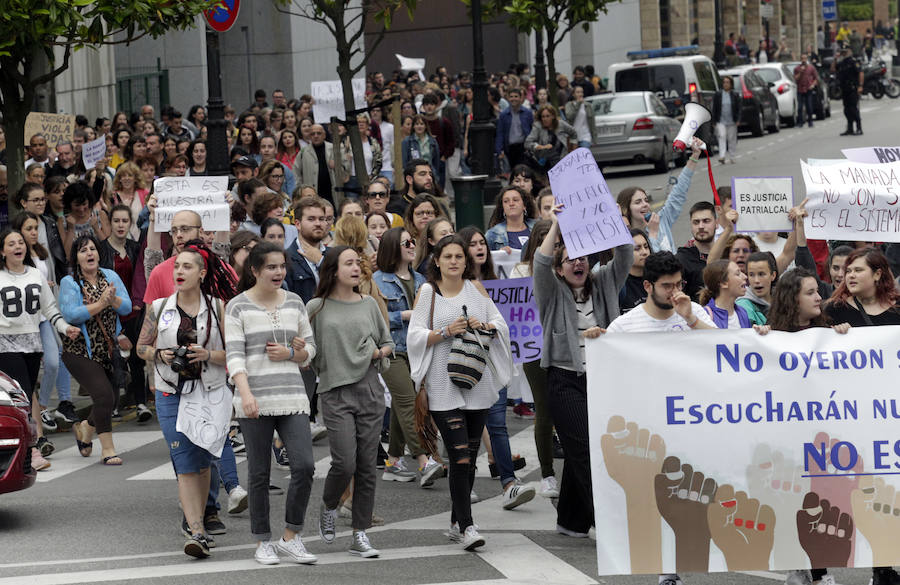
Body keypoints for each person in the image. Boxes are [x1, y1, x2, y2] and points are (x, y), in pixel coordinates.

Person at [533, 204, 633, 538]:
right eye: (570, 260)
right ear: (560, 270)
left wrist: (616, 223)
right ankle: (606, 522)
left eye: (583, 258)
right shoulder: (551, 292)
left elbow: (625, 255)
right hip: (564, 381)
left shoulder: (603, 281)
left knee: (587, 447)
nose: (578, 263)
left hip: (602, 380)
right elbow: (540, 262)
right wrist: (557, 223)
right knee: (588, 450)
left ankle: (570, 521)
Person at [408, 235, 513, 550]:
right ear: (436, 261)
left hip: (476, 382)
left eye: (459, 256)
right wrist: (445, 331)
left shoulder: (477, 289)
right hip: (442, 384)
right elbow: (414, 336)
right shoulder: (428, 292)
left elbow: (500, 324)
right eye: (448, 256)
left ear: (466, 262)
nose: (454, 261)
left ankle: (456, 520)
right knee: (459, 455)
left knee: (469, 455)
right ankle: (468, 527)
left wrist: (485, 326)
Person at [225, 241, 318, 565]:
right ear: (255, 270)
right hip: (254, 399)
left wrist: (293, 353)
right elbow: (235, 356)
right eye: (271, 267)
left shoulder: (294, 302)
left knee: (305, 466)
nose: (279, 272)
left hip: (292, 396)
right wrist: (245, 394)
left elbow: (310, 350)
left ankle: (291, 536)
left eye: (282, 266)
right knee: (260, 474)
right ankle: (262, 540)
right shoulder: (237, 307)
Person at [136, 243, 231, 558]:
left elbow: (235, 354)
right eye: (177, 266)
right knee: (186, 462)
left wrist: (208, 355)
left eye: (188, 267)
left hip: (209, 392)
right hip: (170, 392)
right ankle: (197, 531)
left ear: (202, 273)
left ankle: (199, 519)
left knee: (203, 462)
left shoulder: (218, 309)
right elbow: (140, 348)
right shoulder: (160, 308)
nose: (179, 272)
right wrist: (159, 354)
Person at [308, 246, 394, 558]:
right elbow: (308, 352)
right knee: (345, 462)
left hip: (369, 390)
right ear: (332, 270)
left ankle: (360, 534)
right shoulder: (316, 307)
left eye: (358, 262)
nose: (356, 268)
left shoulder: (369, 303)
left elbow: (388, 343)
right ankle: (330, 505)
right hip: (334, 392)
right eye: (349, 263)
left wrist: (378, 352)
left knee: (367, 467)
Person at [0, 228, 80, 470]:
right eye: (11, 243)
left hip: (33, 344)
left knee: (24, 395)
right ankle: (33, 450)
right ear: (2, 251)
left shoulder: (35, 274)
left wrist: (65, 328)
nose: (17, 246)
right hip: (5, 343)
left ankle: (22, 447)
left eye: (20, 243)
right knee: (23, 395)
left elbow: (50, 309)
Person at [372, 227, 444, 487]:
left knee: (410, 404)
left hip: (418, 350)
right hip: (392, 350)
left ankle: (392, 462)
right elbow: (374, 319)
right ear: (393, 247)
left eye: (413, 242)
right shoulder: (377, 281)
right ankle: (425, 460)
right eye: (406, 243)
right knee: (408, 404)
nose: (413, 246)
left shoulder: (421, 280)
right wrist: (402, 316)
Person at [59, 234, 132, 465]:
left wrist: (113, 300)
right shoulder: (69, 282)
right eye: (83, 250)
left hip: (107, 349)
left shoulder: (110, 276)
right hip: (79, 351)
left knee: (109, 400)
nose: (89, 253)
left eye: (92, 249)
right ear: (76, 258)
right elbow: (71, 314)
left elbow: (127, 307)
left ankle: (85, 429)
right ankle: (108, 449)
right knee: (102, 395)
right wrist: (101, 303)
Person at [99, 205, 149, 421]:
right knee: (112, 358)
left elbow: (142, 276)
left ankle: (141, 403)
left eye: (124, 221)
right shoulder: (100, 249)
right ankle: (113, 405)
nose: (120, 225)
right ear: (110, 223)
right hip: (109, 311)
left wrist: (139, 301)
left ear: (130, 224)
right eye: (116, 221)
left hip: (133, 310)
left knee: (137, 358)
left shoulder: (135, 247)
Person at [617, 138, 702, 253]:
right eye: (638, 202)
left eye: (646, 200)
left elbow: (679, 192)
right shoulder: (623, 237)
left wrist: (694, 156)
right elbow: (649, 264)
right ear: (626, 208)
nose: (645, 205)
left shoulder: (661, 220)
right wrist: (652, 234)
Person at [699, 259, 752, 328]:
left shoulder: (742, 312)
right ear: (723, 283)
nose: (745, 277)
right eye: (738, 274)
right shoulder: (705, 315)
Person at [524, 105, 576, 174]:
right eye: (543, 116)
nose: (545, 119)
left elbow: (573, 133)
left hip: (562, 158)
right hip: (545, 160)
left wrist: (573, 148)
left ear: (553, 116)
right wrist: (541, 147)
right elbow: (527, 143)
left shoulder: (561, 124)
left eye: (547, 116)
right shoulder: (537, 126)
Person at [485, 186, 537, 252]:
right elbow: (486, 259)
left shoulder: (537, 227)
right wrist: (499, 254)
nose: (511, 204)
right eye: (506, 201)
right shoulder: (492, 234)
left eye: (515, 200)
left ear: (524, 205)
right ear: (502, 207)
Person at [494, 88, 533, 170]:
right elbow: (500, 132)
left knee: (523, 170)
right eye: (511, 96)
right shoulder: (504, 115)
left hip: (523, 147)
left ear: (520, 98)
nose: (513, 99)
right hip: (509, 148)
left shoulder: (527, 113)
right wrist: (499, 149)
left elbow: (532, 130)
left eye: (516, 96)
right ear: (508, 98)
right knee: (512, 170)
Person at [736, 251, 778, 325]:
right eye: (751, 275)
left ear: (773, 275)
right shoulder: (743, 305)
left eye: (761, 274)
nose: (756, 280)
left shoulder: (783, 300)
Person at [619, 229, 652, 313]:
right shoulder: (620, 286)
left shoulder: (657, 277)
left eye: (646, 247)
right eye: (637, 248)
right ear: (625, 253)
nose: (644, 252)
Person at [833, 47, 863, 136]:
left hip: (853, 88)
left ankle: (859, 128)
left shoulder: (854, 62)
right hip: (844, 88)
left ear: (850, 52)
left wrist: (860, 86)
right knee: (846, 109)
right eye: (843, 52)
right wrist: (835, 58)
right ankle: (850, 128)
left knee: (853, 108)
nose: (844, 53)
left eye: (845, 52)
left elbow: (860, 73)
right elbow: (833, 69)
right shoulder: (842, 62)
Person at [400, 115, 440, 181]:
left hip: (430, 174)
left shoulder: (432, 141)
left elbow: (436, 161)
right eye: (417, 124)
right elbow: (404, 162)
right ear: (413, 126)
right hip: (414, 175)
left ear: (425, 126)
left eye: (422, 124)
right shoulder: (407, 141)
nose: (419, 126)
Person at [712, 77, 740, 164]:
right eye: (724, 82)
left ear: (731, 84)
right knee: (722, 136)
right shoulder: (718, 95)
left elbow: (739, 109)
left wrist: (738, 119)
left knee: (731, 139)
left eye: (727, 82)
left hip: (732, 121)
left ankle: (732, 156)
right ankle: (722, 156)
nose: (726, 84)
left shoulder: (735, 95)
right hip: (721, 120)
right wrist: (713, 121)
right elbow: (714, 108)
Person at [794, 54, 819, 128]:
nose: (803, 60)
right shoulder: (797, 68)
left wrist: (813, 85)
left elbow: (816, 78)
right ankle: (800, 122)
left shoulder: (811, 68)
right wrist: (800, 72)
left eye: (805, 58)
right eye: (802, 59)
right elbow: (795, 79)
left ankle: (810, 121)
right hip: (800, 89)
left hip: (808, 89)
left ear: (807, 59)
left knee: (809, 106)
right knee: (800, 107)